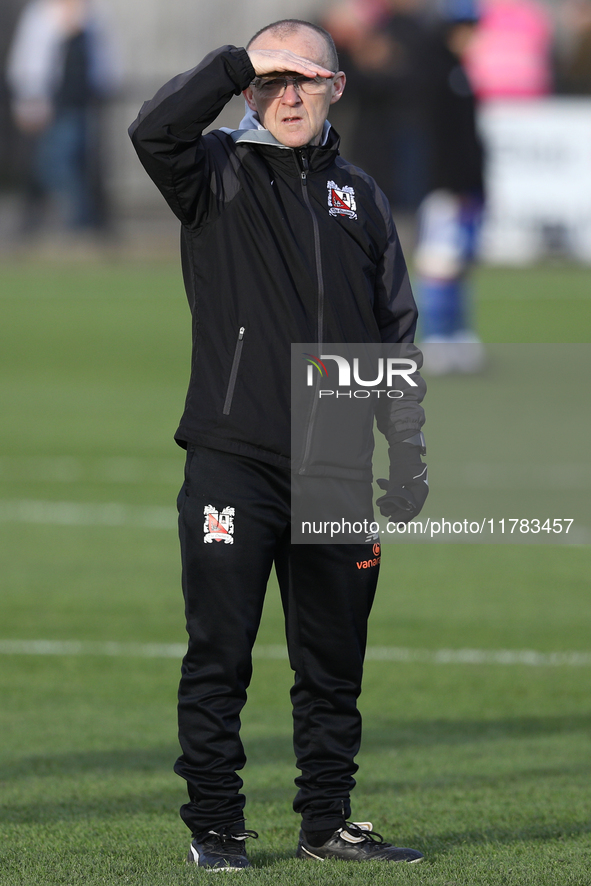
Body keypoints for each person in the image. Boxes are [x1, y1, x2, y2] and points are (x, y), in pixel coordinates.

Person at [129, 19, 428, 871]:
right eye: (271, 79)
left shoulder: (362, 197)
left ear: (337, 86)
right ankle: (216, 828)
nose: (287, 95)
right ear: (250, 87)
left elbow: (393, 339)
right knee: (220, 653)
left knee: (332, 665)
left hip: (335, 467)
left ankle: (326, 823)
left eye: (305, 79)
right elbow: (151, 128)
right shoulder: (213, 170)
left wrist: (405, 453)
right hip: (234, 455)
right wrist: (234, 63)